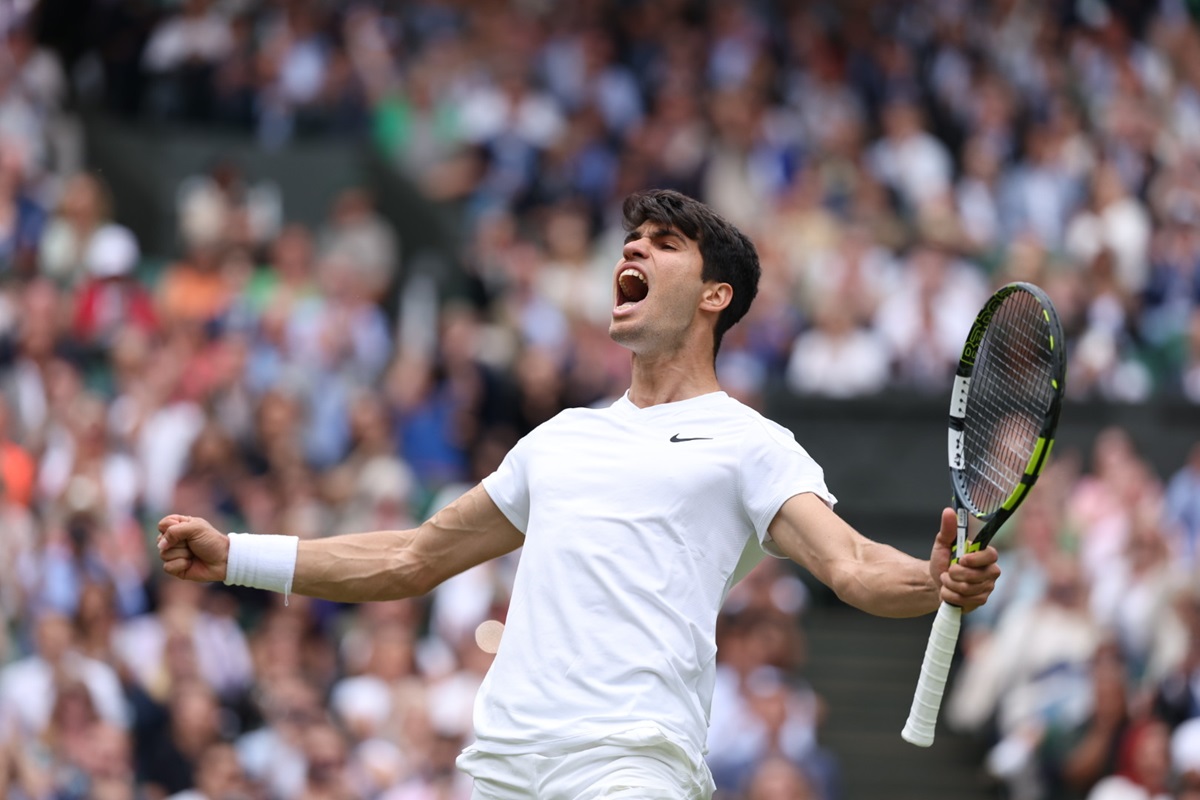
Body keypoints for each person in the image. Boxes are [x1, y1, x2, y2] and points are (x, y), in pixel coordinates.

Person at [155, 189, 1001, 799]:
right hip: (504, 768)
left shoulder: (753, 443)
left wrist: (933, 580)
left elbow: (850, 563)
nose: (632, 251)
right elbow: (412, 557)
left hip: (631, 767)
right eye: (632, 240)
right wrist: (237, 556)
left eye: (664, 244)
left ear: (717, 296)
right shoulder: (559, 438)